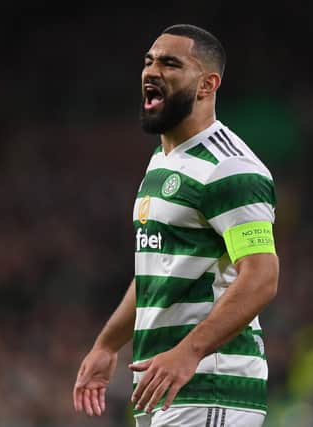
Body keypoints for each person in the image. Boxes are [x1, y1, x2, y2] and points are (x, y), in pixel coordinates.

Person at [73, 24, 279, 427]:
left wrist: (190, 351)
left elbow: (262, 277)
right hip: (162, 386)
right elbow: (158, 273)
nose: (152, 71)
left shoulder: (229, 168)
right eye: (149, 61)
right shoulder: (163, 160)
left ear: (207, 84)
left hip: (211, 386)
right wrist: (107, 345)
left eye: (170, 63)